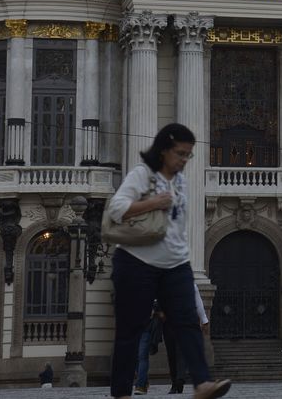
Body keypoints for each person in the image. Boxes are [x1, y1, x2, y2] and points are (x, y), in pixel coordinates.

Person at [106, 123, 230, 399]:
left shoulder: (181, 181)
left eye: (188, 155)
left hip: (175, 263)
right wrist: (152, 203)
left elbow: (177, 225)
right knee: (131, 328)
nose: (184, 160)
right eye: (180, 154)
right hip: (136, 261)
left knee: (187, 322)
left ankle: (202, 384)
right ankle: (122, 392)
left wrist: (183, 255)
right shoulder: (142, 174)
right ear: (164, 150)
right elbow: (116, 209)